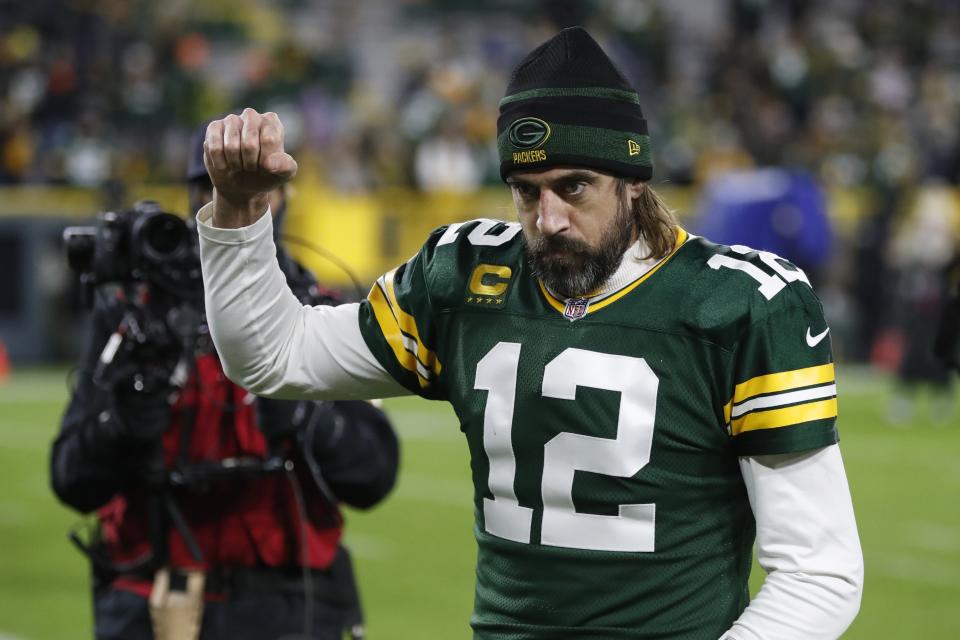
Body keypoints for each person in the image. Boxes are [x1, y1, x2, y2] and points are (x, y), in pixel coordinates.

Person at [196, 27, 863, 639]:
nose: (547, 219)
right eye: (525, 190)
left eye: (575, 186)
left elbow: (820, 572)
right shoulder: (464, 276)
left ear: (633, 179)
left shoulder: (741, 303)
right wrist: (238, 212)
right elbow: (272, 356)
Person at [50, 125, 400, 640]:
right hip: (151, 594)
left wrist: (304, 417)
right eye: (210, 188)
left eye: (256, 188)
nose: (232, 201)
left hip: (283, 599)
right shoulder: (135, 314)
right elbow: (72, 479)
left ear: (285, 196)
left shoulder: (320, 310)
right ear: (192, 197)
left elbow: (372, 474)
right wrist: (123, 425)